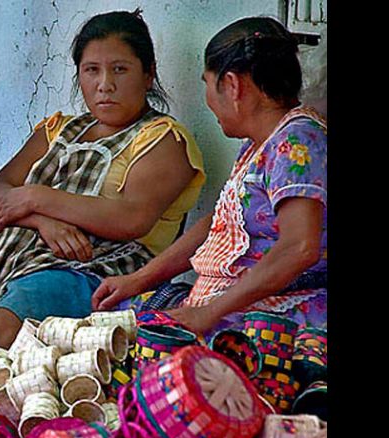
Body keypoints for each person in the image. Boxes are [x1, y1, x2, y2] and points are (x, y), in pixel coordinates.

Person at [0, 10, 206, 348]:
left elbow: (131, 218)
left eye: (120, 69)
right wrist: (43, 222)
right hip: (8, 253)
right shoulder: (58, 130)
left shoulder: (163, 139)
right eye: (92, 70)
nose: (105, 84)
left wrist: (36, 197)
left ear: (148, 75)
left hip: (94, 269)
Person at [92, 16, 327, 338]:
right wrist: (137, 279)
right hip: (230, 299)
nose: (208, 100)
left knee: (146, 342)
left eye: (207, 83)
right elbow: (216, 225)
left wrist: (210, 311)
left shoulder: (296, 142)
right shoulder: (258, 143)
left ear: (232, 86)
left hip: (279, 311)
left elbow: (300, 247)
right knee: (115, 316)